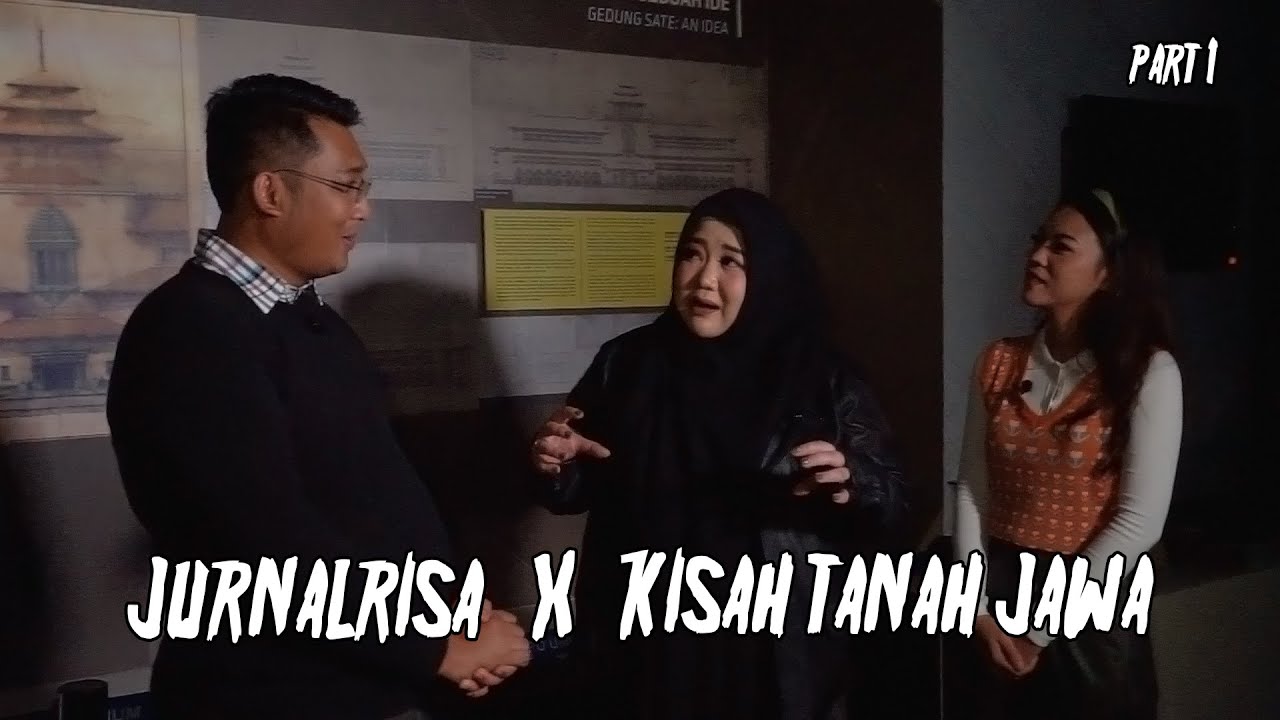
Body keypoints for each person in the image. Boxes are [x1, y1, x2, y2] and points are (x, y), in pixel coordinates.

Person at [106, 74, 529, 720]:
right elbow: (264, 543)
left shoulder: (313, 323)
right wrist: (433, 651)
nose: (362, 209)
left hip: (371, 681)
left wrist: (452, 633)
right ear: (271, 191)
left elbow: (364, 501)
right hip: (270, 698)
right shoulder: (190, 331)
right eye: (346, 186)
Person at [528, 188, 908, 720]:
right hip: (647, 635)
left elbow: (893, 501)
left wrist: (853, 482)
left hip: (770, 641)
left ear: (768, 274)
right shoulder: (628, 362)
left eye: (731, 262)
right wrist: (556, 463)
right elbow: (574, 489)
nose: (704, 279)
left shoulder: (821, 376)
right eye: (692, 254)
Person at [952, 188, 1183, 719]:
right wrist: (976, 608)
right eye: (1038, 241)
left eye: (1060, 247)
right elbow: (972, 489)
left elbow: (1139, 522)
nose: (1036, 256)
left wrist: (1041, 629)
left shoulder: (1146, 372)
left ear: (1110, 273)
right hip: (1000, 601)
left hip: (1089, 615)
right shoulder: (998, 361)